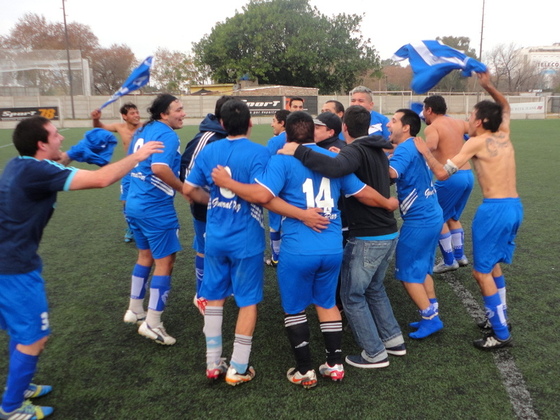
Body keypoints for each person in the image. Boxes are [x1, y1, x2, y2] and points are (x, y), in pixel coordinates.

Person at [211, 111, 398, 388]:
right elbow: (361, 192)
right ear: (314, 133)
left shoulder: (282, 160)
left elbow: (263, 197)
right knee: (327, 303)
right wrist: (386, 202)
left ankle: (305, 370)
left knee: (295, 309)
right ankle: (334, 365)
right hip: (332, 246)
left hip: (298, 249)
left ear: (287, 135)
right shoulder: (332, 160)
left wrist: (228, 184)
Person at [0, 116, 162, 420]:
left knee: (21, 332)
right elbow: (101, 179)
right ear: (40, 144)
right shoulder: (37, 171)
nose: (60, 137)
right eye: (55, 134)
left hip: (10, 263)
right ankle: (11, 408)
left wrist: (76, 153)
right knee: (35, 338)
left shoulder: (19, 165)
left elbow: (60, 161)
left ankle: (20, 388)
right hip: (13, 269)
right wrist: (137, 156)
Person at [278, 105, 406, 369]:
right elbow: (347, 169)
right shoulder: (375, 148)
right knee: (374, 288)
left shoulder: (352, 152)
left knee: (351, 296)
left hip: (368, 235)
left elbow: (339, 171)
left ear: (344, 128)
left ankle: (375, 353)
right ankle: (393, 340)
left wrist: (299, 150)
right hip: (388, 231)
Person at [414, 71, 522, 350]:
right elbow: (506, 107)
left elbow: (442, 174)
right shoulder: (504, 134)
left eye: (472, 116)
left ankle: (500, 333)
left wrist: (423, 151)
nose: (469, 120)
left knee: (481, 272)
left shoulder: (475, 142)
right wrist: (489, 86)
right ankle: (500, 318)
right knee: (493, 263)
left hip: (494, 210)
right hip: (514, 207)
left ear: (481, 121)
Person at [123, 94, 186, 346]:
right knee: (165, 261)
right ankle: (153, 322)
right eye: (178, 109)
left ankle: (135, 309)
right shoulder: (167, 134)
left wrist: (127, 200)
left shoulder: (142, 131)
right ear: (164, 114)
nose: (183, 113)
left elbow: (129, 166)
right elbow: (160, 168)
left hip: (135, 204)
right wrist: (186, 190)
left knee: (144, 256)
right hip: (155, 208)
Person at [387, 109, 445, 340]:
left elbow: (391, 173)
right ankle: (431, 314)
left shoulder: (404, 148)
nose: (388, 124)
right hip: (432, 214)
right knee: (421, 269)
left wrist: (362, 161)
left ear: (406, 127)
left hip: (419, 220)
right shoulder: (413, 145)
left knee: (407, 273)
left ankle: (430, 319)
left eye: (393, 120)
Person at [179, 95, 234, 309]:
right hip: (207, 208)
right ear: (223, 117)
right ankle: (201, 294)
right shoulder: (207, 138)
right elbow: (186, 172)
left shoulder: (231, 137)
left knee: (225, 248)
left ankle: (220, 287)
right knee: (205, 249)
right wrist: (202, 197)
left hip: (230, 208)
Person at [422, 96, 474, 273]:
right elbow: (475, 130)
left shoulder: (432, 127)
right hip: (467, 175)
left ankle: (449, 260)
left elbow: (431, 146)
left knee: (438, 216)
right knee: (452, 217)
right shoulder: (458, 122)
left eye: (424, 109)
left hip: (450, 176)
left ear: (429, 110)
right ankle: (460, 256)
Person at [91, 103, 143, 243]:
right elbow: (100, 127)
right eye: (132, 113)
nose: (136, 115)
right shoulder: (119, 127)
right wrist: (96, 119)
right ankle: (131, 227)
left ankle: (144, 226)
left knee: (144, 199)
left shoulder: (145, 127)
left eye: (137, 112)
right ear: (124, 116)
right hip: (127, 168)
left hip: (143, 169)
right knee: (125, 201)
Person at [266, 109, 291, 267]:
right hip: (294, 187)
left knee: (275, 224)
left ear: (282, 123)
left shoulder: (275, 141)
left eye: (274, 121)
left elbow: (266, 164)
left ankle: (276, 257)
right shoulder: (298, 137)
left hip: (278, 189)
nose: (271, 124)